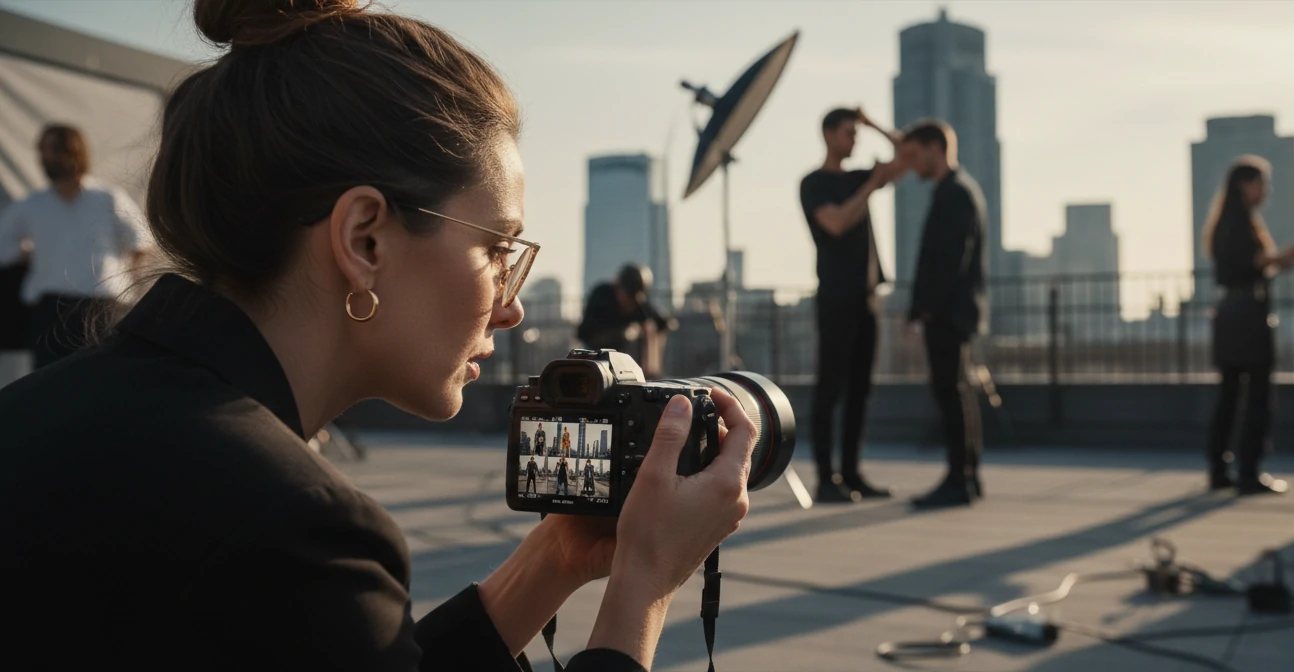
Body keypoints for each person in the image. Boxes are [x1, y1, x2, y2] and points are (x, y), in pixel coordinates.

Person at [0, 1, 757, 669]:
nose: (511, 308)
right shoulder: (295, 525)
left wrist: (554, 559)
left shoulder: (43, 414)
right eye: (497, 249)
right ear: (365, 240)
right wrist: (645, 586)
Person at [798, 107, 904, 504]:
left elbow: (908, 156)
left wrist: (874, 122)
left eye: (856, 134)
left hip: (867, 297)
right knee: (831, 388)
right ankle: (827, 479)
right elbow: (837, 223)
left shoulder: (864, 177)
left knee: (861, 389)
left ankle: (853, 473)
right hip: (835, 298)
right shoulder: (813, 184)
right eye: (848, 132)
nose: (854, 140)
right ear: (827, 134)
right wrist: (872, 184)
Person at [0, 124, 152, 369]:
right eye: (42, 150)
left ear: (72, 151)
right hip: (50, 312)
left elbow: (141, 242)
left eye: (51, 149)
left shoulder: (107, 198)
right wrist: (30, 253)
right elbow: (3, 246)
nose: (44, 157)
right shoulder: (32, 205)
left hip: (100, 308)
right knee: (47, 386)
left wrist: (135, 288)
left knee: (101, 380)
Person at [900, 119, 988, 509]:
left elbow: (948, 260)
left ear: (935, 148)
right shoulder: (958, 190)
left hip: (948, 313)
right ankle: (967, 474)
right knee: (958, 391)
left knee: (950, 393)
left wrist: (925, 311)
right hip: (955, 311)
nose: (911, 165)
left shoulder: (955, 194)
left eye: (916, 155)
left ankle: (959, 478)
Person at [1202, 156, 1294, 496]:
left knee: (1230, 395)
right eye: (1262, 183)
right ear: (1245, 184)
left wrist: (1272, 262)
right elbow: (1251, 262)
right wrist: (1280, 259)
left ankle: (1220, 468)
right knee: (1257, 394)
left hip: (1230, 313)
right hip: (1247, 314)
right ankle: (1248, 470)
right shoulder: (1240, 222)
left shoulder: (1226, 222)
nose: (1266, 191)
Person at [577, 263, 675, 377]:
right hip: (595, 358)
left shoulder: (639, 305)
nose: (629, 302)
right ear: (617, 287)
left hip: (625, 362)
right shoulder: (601, 296)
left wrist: (651, 365)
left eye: (634, 298)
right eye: (627, 295)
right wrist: (621, 334)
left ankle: (649, 374)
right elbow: (583, 334)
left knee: (648, 326)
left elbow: (664, 324)